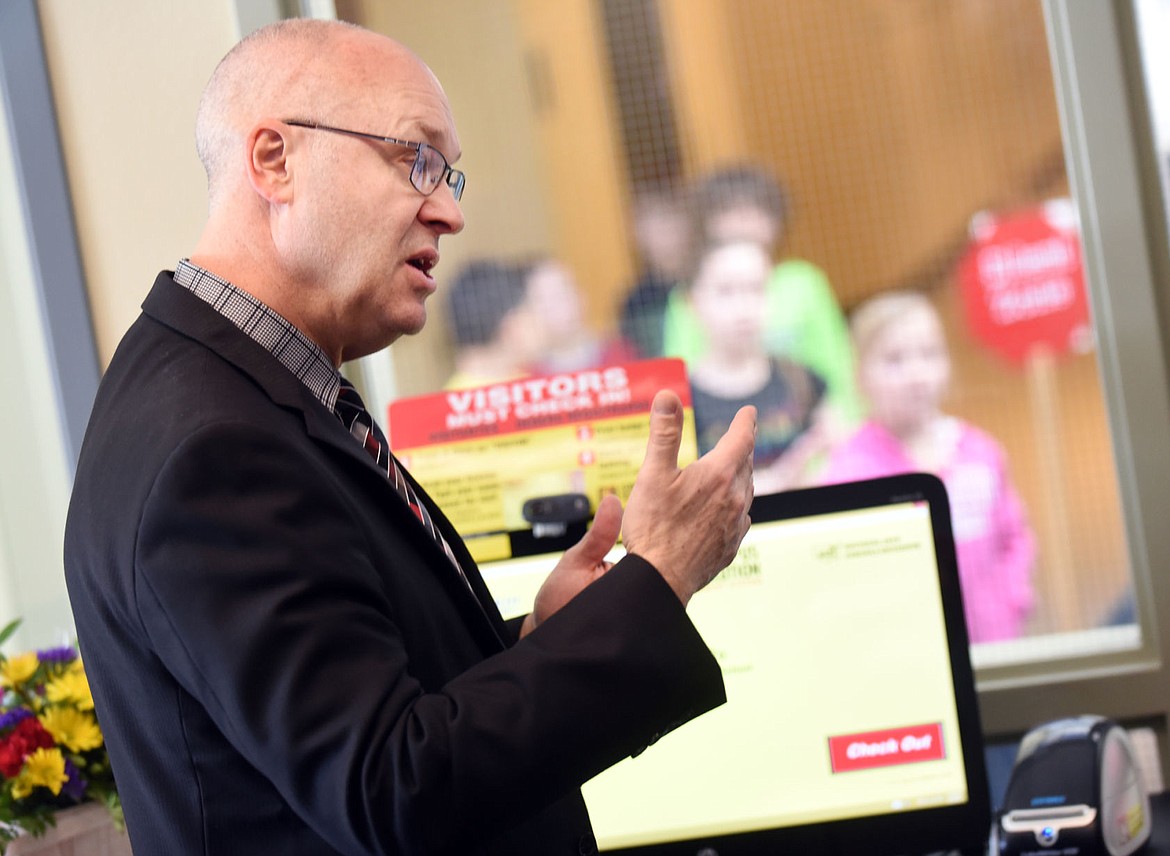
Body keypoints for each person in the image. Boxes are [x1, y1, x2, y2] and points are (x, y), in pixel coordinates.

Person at [62, 19, 756, 856]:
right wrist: (660, 578)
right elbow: (391, 791)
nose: (450, 211)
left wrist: (548, 640)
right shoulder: (213, 448)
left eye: (448, 171)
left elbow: (381, 701)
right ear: (274, 161)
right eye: (414, 160)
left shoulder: (248, 388)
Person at [820, 290, 1035, 643]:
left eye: (930, 354)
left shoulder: (979, 452)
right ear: (860, 375)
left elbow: (1015, 535)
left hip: (994, 641)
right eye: (894, 360)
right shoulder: (849, 468)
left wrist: (1013, 600)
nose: (917, 374)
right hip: (905, 651)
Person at [661, 164, 862, 425]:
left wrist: (847, 428)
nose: (744, 220)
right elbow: (680, 376)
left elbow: (837, 364)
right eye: (728, 210)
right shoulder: (687, 293)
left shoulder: (804, 282)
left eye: (757, 209)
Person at [686, 239, 829, 495]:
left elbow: (834, 455)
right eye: (725, 291)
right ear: (694, 301)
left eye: (756, 289)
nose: (743, 306)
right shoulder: (680, 401)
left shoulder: (802, 379)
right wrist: (778, 480)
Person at [523, 256, 637, 375]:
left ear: (581, 297)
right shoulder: (528, 376)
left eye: (562, 293)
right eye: (543, 300)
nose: (554, 307)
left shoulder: (621, 354)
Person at [617, 186, 692, 359]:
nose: (664, 235)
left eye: (668, 223)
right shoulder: (635, 300)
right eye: (652, 228)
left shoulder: (703, 282)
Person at [443, 258, 538, 389]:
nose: (539, 322)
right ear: (511, 326)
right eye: (529, 310)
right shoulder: (530, 394)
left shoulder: (452, 400)